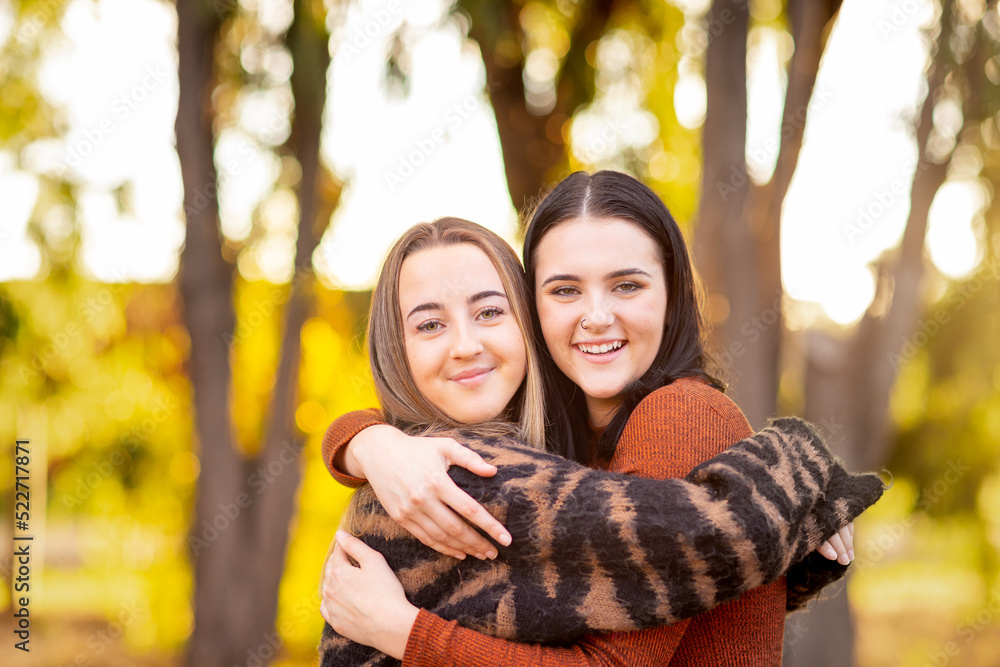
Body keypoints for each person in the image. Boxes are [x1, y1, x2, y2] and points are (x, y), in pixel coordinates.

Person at [318, 207, 874, 666]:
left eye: (489, 311)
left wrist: (361, 442)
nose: (465, 345)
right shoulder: (451, 477)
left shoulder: (587, 441)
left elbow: (639, 579)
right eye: (429, 324)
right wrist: (797, 467)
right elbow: (701, 539)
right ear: (396, 351)